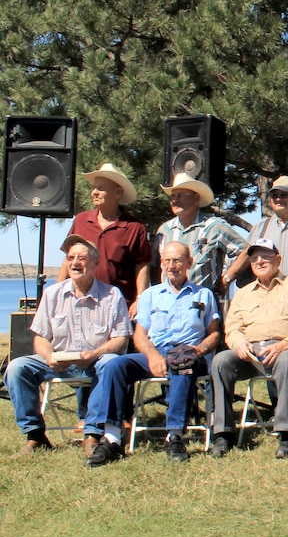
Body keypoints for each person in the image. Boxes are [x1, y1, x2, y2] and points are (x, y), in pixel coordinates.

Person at [83, 242, 222, 466]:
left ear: (189, 263)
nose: (172, 265)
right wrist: (153, 356)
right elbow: (139, 336)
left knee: (181, 362)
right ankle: (111, 438)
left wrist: (201, 349)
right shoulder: (150, 295)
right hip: (154, 352)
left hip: (189, 353)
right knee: (115, 366)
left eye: (177, 260)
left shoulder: (204, 294)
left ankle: (174, 435)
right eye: (167, 261)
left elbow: (214, 334)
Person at [5, 236, 131, 455]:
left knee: (111, 363)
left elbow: (121, 340)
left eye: (81, 258)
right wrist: (49, 355)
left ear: (95, 263)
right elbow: (41, 337)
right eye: (70, 258)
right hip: (59, 360)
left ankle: (92, 434)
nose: (75, 263)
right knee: (16, 367)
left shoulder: (112, 296)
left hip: (95, 361)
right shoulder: (53, 294)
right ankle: (35, 434)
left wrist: (95, 353)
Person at [208, 239, 288, 459]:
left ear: (279, 260)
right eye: (254, 258)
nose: (259, 261)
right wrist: (239, 343)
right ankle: (223, 433)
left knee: (287, 360)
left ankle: (287, 435)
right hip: (251, 354)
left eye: (265, 256)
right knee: (221, 361)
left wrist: (285, 344)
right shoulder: (243, 293)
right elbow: (233, 328)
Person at [61, 163, 151, 316]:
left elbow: (142, 266)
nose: (94, 192)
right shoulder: (81, 220)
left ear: (117, 193)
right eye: (94, 188)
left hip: (119, 307)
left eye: (101, 188)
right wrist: (59, 292)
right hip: (80, 303)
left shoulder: (135, 227)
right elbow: (67, 260)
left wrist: (140, 299)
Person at [154, 172, 246, 294]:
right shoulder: (164, 231)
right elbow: (154, 266)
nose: (175, 200)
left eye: (180, 195)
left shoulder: (214, 227)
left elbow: (247, 251)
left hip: (204, 304)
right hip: (169, 304)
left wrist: (227, 279)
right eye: (173, 196)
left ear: (196, 199)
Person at [223, 175, 288, 284]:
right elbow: (245, 257)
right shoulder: (261, 227)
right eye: (274, 196)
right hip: (266, 297)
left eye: (284, 195)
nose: (278, 199)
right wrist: (226, 279)